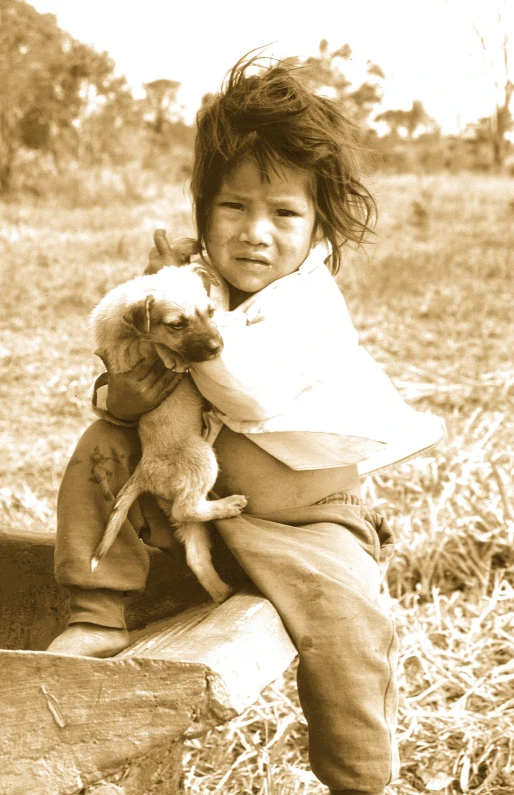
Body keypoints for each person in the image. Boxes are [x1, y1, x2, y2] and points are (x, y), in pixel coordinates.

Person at [47, 56, 445, 795]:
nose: (255, 233)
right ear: (203, 209)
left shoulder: (309, 305)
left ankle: (360, 776)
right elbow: (117, 388)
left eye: (284, 213)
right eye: (233, 207)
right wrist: (132, 377)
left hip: (306, 520)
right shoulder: (190, 282)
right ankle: (98, 609)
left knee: (349, 627)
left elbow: (254, 395)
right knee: (102, 450)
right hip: (197, 510)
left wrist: (184, 339)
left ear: (320, 229)